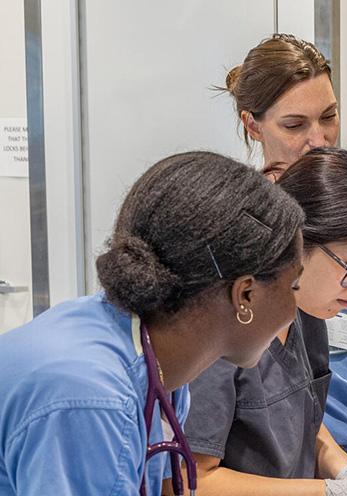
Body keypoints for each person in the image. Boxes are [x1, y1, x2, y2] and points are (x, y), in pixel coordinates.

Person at [0, 151, 305, 495]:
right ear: (245, 294)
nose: (295, 309)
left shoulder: (158, 364)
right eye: (293, 287)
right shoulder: (90, 397)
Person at [183, 149, 347, 496]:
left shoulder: (307, 316)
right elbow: (191, 480)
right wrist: (330, 492)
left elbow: (305, 422)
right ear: (300, 241)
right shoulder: (226, 325)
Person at [224, 33, 347, 466]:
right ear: (253, 124)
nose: (319, 139)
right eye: (295, 125)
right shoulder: (239, 258)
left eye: (329, 116)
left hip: (336, 455)